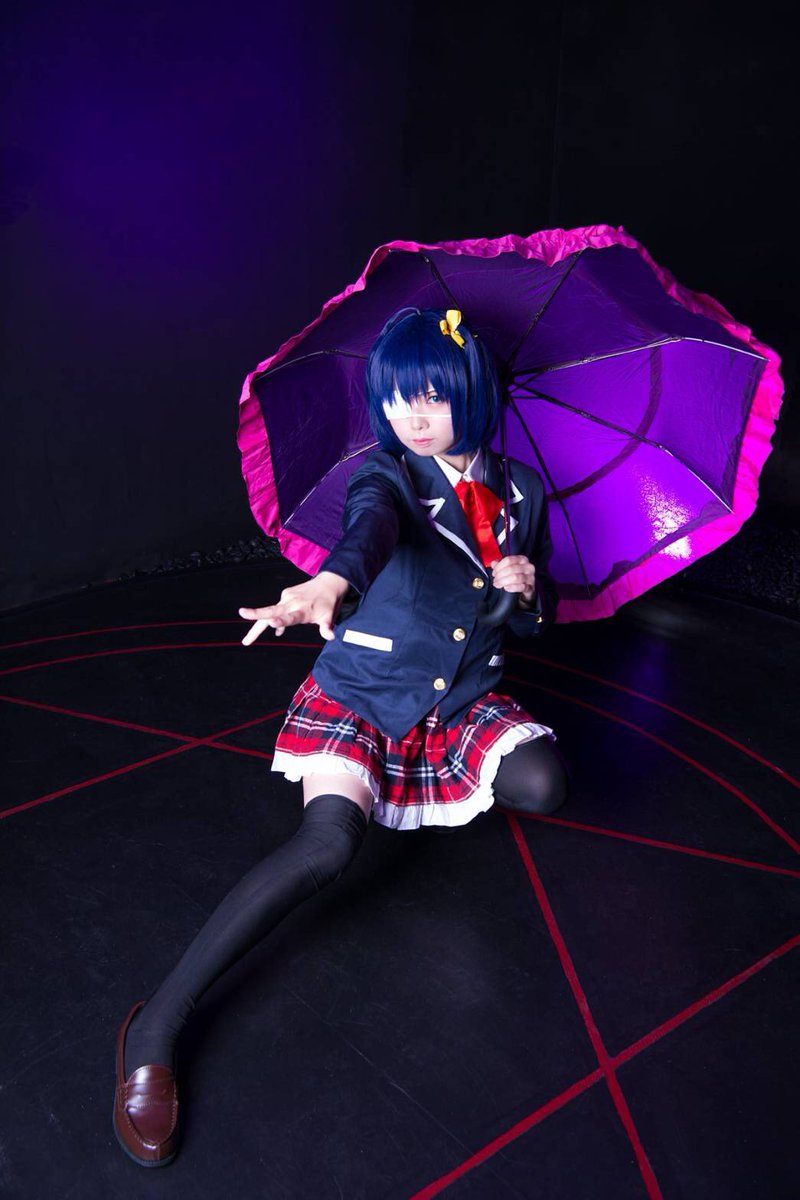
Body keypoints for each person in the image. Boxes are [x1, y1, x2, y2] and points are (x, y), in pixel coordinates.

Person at [113, 307, 570, 1167]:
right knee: (328, 846)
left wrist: (525, 589)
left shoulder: (522, 490)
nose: (411, 417)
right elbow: (368, 531)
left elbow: (527, 620)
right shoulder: (385, 474)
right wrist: (327, 585)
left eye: (432, 397)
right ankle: (155, 1025)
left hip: (458, 697)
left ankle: (431, 773)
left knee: (545, 784)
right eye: (396, 398)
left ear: (473, 392)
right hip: (367, 689)